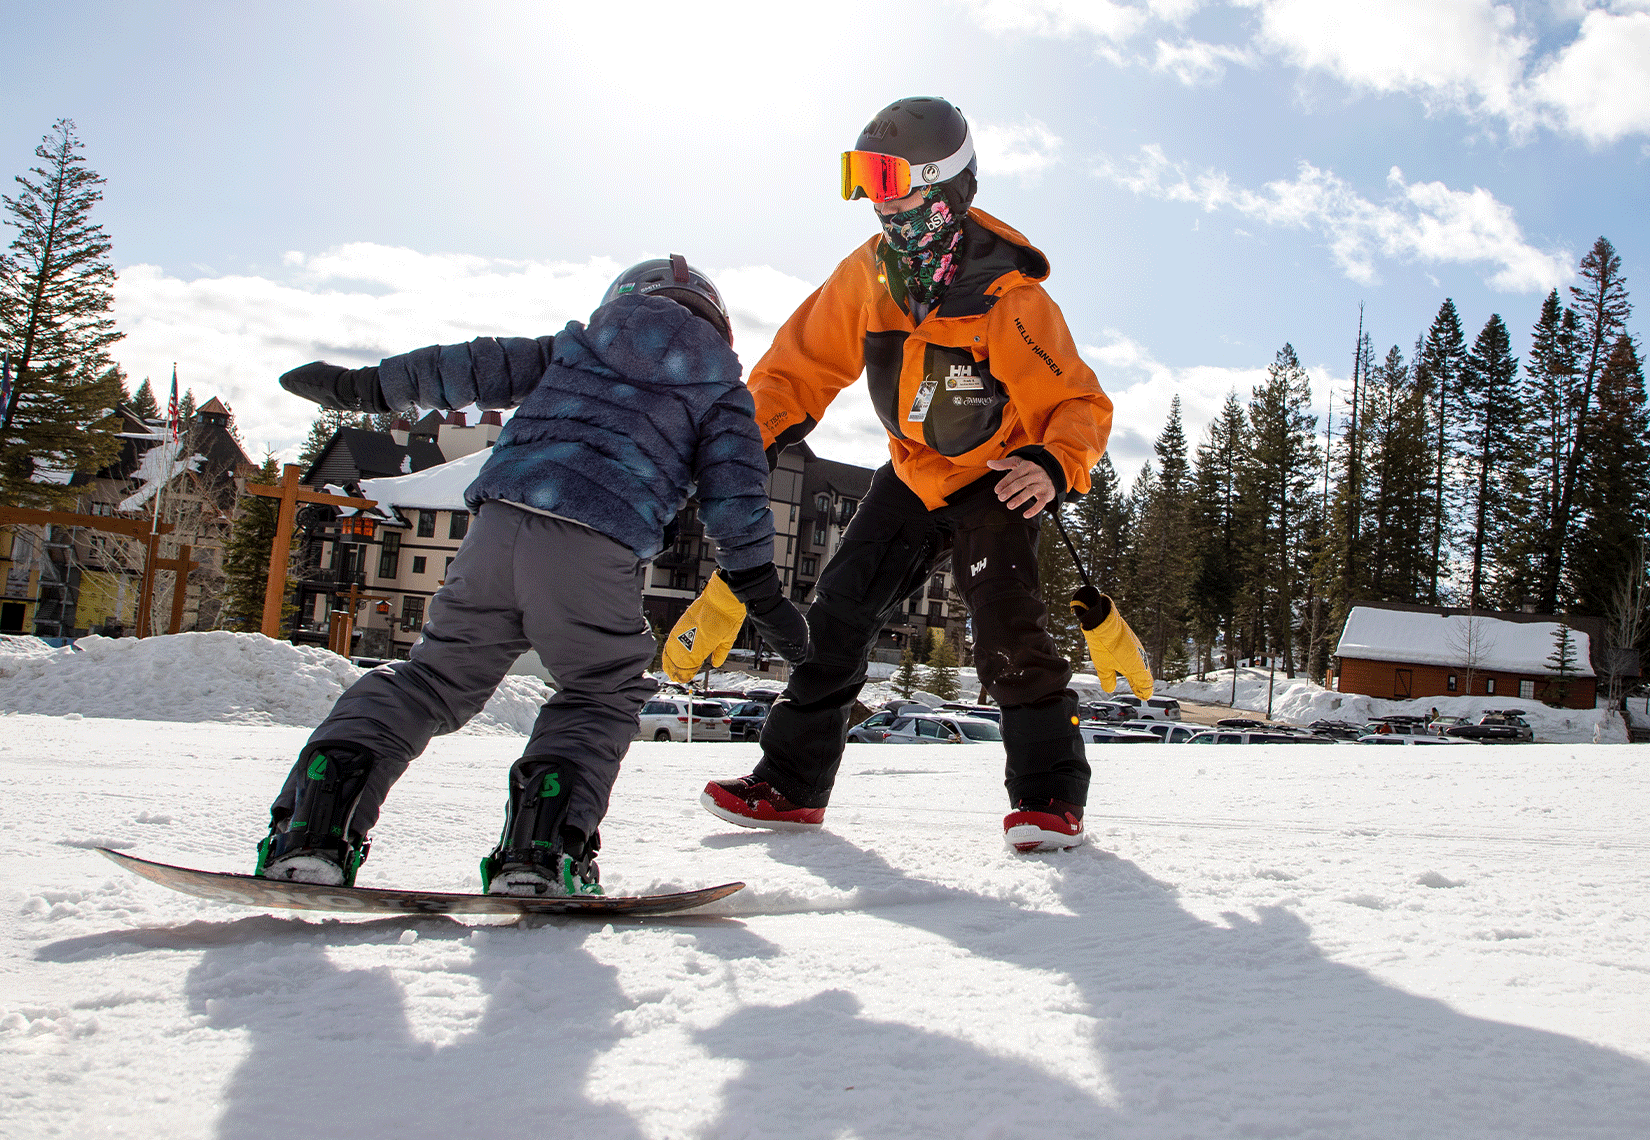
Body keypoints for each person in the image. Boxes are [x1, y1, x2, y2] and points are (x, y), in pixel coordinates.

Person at [259, 256, 810, 895]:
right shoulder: (719, 392)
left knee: (433, 679)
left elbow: (465, 366)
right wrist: (760, 593)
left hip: (497, 526)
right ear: (717, 325)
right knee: (599, 692)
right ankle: (542, 851)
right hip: (597, 544)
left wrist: (365, 388)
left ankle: (315, 824)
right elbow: (735, 498)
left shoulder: (574, 347)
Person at [674, 97, 1113, 852]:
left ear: (943, 184)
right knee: (836, 615)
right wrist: (739, 445)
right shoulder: (869, 276)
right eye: (861, 179)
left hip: (995, 476)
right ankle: (790, 785)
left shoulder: (1009, 301)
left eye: (886, 177)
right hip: (912, 473)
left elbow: (1078, 401)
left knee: (1005, 624)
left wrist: (1052, 461)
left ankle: (1049, 797)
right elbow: (794, 373)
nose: (875, 198)